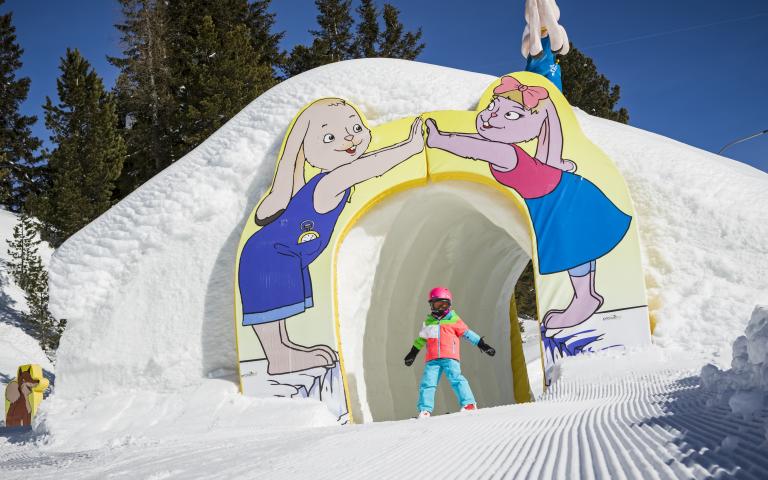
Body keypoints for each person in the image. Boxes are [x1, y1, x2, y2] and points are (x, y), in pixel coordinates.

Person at [404, 287, 496, 418]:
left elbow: (467, 334)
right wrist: (412, 354)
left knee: (456, 379)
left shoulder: (454, 319)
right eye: (438, 304)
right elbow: (421, 340)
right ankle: (424, 410)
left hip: (450, 357)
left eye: (445, 304)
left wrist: (483, 345)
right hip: (432, 359)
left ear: (449, 304)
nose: (441, 307)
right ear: (432, 304)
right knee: (427, 383)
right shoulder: (429, 322)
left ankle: (469, 404)